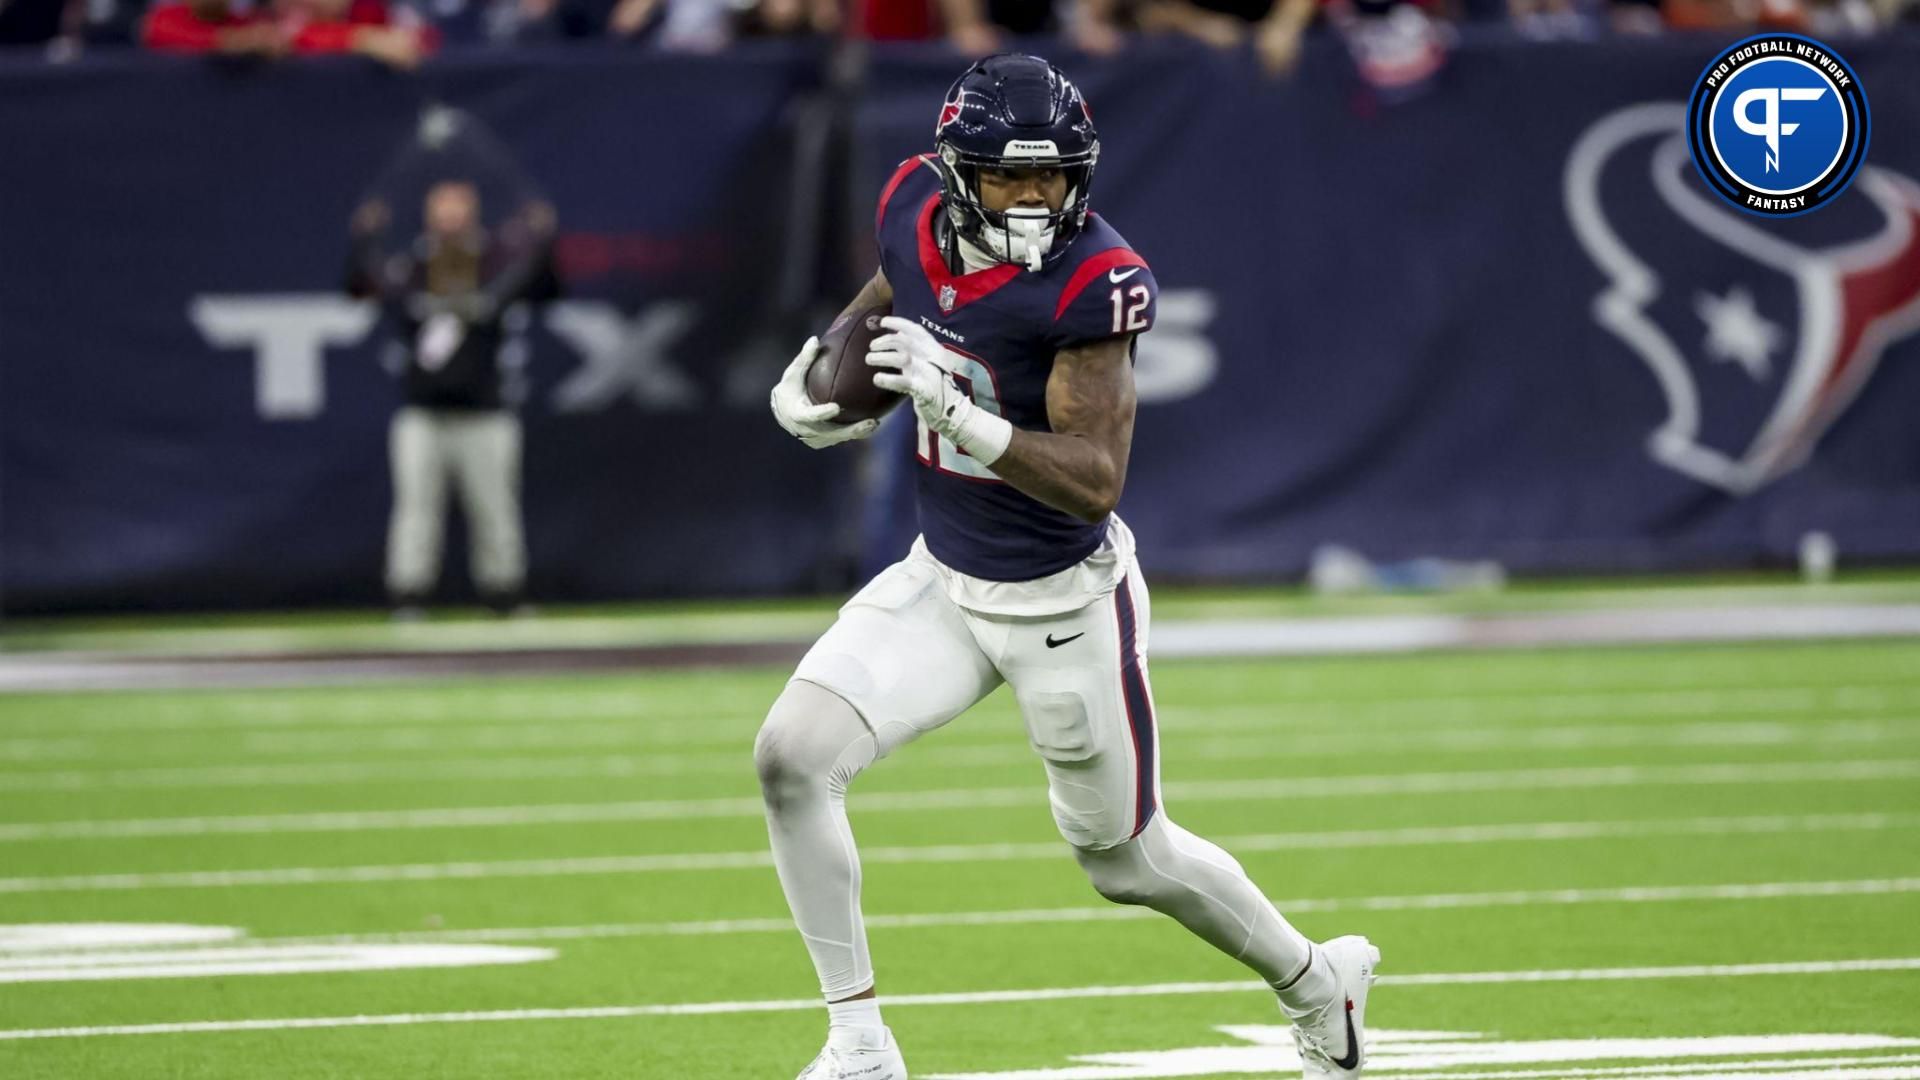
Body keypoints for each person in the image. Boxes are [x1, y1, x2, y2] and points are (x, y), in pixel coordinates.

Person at [764, 54, 1379, 1080]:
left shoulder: (1098, 278)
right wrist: (830, 363)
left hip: (1061, 602)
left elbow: (1094, 479)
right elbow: (893, 282)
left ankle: (1318, 981)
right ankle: (860, 1039)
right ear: (957, 172)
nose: (1036, 195)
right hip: (942, 577)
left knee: (1127, 862)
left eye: (1053, 175)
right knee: (791, 757)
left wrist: (958, 414)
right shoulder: (913, 201)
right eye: (1009, 176)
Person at [347, 180, 555, 618]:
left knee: (495, 506)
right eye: (442, 211)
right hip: (423, 412)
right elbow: (359, 289)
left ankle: (505, 593)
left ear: (474, 213)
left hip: (485, 410)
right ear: (428, 216)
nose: (451, 219)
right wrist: (363, 239)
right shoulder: (413, 266)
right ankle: (410, 596)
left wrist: (544, 239)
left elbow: (544, 287)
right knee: (416, 508)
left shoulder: (494, 262)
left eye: (458, 210)